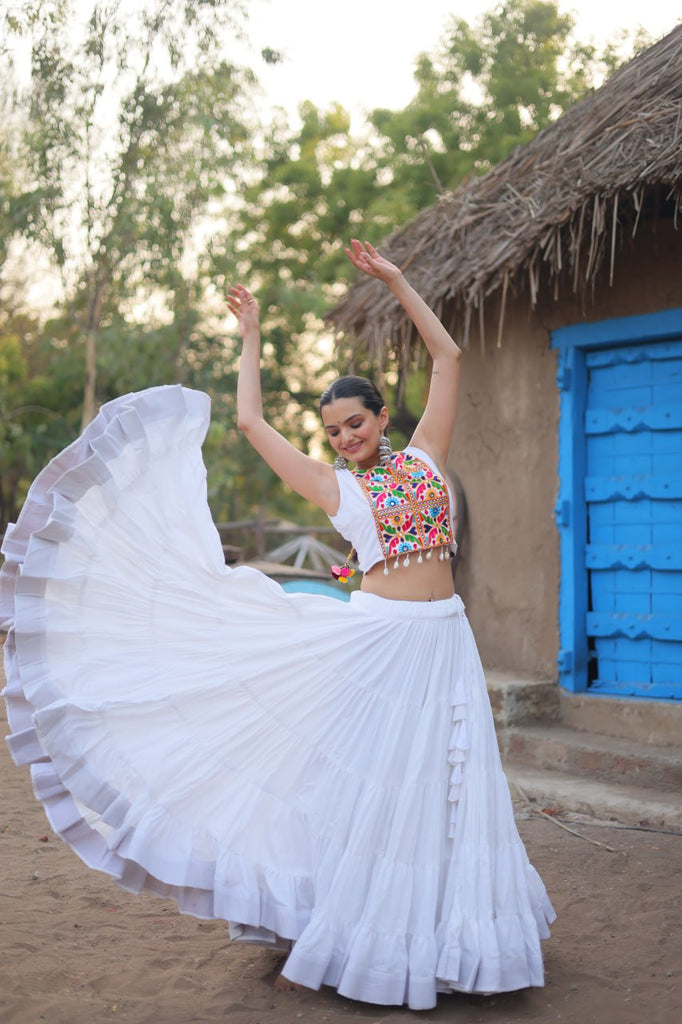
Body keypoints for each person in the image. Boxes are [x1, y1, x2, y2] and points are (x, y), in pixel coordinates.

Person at [0, 240, 554, 1012]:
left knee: (445, 791)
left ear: (381, 416)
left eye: (354, 423)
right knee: (375, 792)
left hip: (445, 641)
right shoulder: (336, 487)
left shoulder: (427, 458)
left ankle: (439, 938)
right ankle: (327, 933)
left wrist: (395, 280)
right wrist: (252, 335)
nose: (344, 437)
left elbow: (449, 352)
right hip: (380, 647)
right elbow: (252, 423)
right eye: (333, 431)